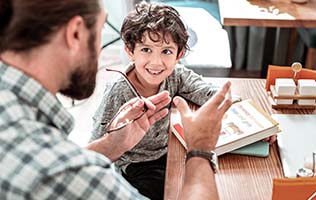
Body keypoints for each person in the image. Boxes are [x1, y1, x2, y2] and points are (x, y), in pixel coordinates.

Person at [0, 0, 233, 199]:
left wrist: (112, 144)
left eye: (165, 51)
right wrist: (200, 150)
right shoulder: (74, 175)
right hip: (137, 169)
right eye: (102, 28)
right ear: (76, 34)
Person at [90, 2, 232, 199]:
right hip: (136, 165)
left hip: (171, 151)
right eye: (146, 49)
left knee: (215, 177)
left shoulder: (176, 75)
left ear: (179, 54)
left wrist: (245, 115)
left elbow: (209, 93)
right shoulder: (117, 91)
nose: (156, 63)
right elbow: (96, 143)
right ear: (130, 51)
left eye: (166, 51)